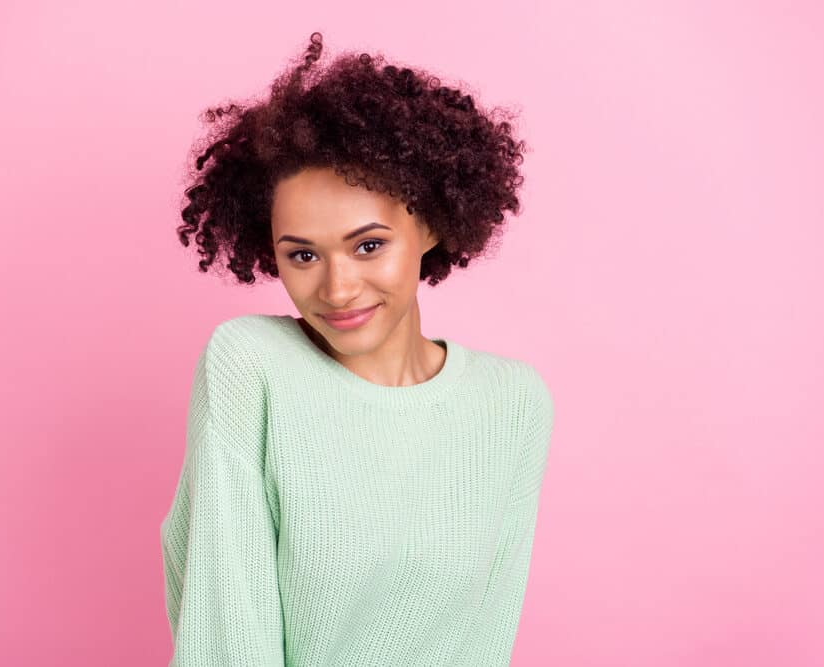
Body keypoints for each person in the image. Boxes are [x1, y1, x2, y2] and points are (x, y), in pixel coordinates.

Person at [160, 31, 555, 666]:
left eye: (368, 245)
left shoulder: (512, 402)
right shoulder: (251, 366)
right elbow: (225, 627)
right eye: (303, 255)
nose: (338, 288)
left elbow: (487, 634)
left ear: (428, 226)